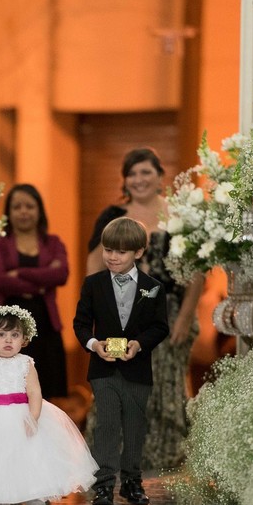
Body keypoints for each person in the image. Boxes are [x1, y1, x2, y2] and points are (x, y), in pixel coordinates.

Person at [85, 148, 205, 475]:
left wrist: (183, 317)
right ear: (125, 180)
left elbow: (197, 270)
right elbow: (94, 265)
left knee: (164, 385)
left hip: (167, 314)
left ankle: (160, 464)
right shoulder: (113, 215)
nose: (138, 180)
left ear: (160, 176)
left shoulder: (180, 216)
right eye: (132, 174)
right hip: (121, 314)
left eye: (145, 172)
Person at [0, 306, 97, 505]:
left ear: (24, 339)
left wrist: (33, 417)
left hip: (20, 416)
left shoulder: (26, 364)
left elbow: (34, 393)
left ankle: (32, 492)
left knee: (27, 457)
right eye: (1, 334)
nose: (8, 340)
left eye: (15, 335)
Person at [74, 217, 169, 505]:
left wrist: (139, 344)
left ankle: (131, 481)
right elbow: (80, 323)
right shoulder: (93, 284)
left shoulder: (153, 287)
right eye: (108, 250)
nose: (112, 257)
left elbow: (160, 327)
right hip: (103, 368)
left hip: (137, 368)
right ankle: (103, 485)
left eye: (121, 252)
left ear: (139, 252)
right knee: (106, 425)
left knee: (134, 426)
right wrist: (94, 345)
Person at [0, 184, 69, 397]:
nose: (23, 211)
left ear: (39, 211)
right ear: (8, 213)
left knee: (47, 392)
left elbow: (61, 274)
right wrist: (41, 281)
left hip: (45, 326)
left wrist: (18, 273)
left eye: (29, 206)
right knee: (8, 391)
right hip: (6, 328)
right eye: (17, 207)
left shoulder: (53, 243)